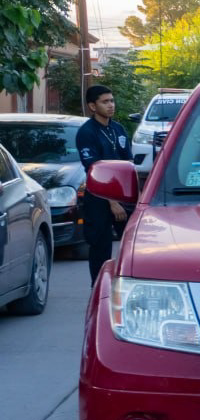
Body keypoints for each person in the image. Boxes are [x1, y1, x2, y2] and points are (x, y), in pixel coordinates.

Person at [76, 85, 132, 284]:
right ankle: (99, 289)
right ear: (93, 106)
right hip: (99, 198)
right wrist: (112, 203)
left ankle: (129, 286)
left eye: (112, 101)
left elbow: (128, 164)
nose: (111, 105)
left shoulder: (118, 129)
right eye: (105, 102)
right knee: (100, 247)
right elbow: (94, 170)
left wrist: (137, 195)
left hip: (122, 196)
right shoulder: (87, 132)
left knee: (133, 243)